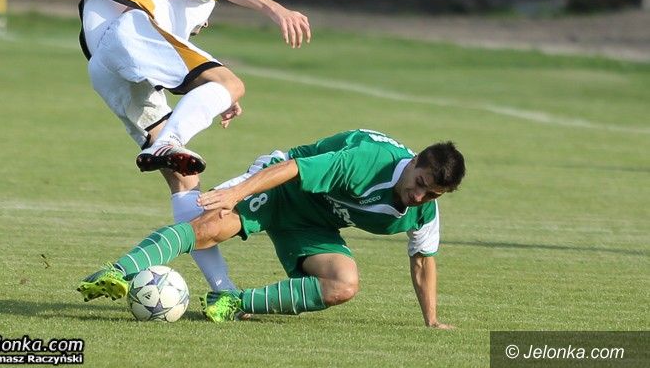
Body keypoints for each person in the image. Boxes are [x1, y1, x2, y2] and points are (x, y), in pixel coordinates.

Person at [78, 0, 311, 292]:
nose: (206, 24)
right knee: (233, 84)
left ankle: (223, 289)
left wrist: (215, 95)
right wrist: (276, 10)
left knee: (186, 183)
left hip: (102, 67)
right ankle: (169, 142)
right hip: (127, 26)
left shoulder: (158, 7)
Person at [78, 129, 466, 327]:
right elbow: (293, 168)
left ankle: (232, 302)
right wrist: (237, 193)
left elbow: (423, 261)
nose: (419, 196)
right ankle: (117, 272)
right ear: (414, 161)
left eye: (432, 194)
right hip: (282, 186)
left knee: (343, 284)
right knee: (208, 229)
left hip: (315, 224)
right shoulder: (368, 161)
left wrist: (431, 320)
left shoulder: (423, 213)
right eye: (419, 183)